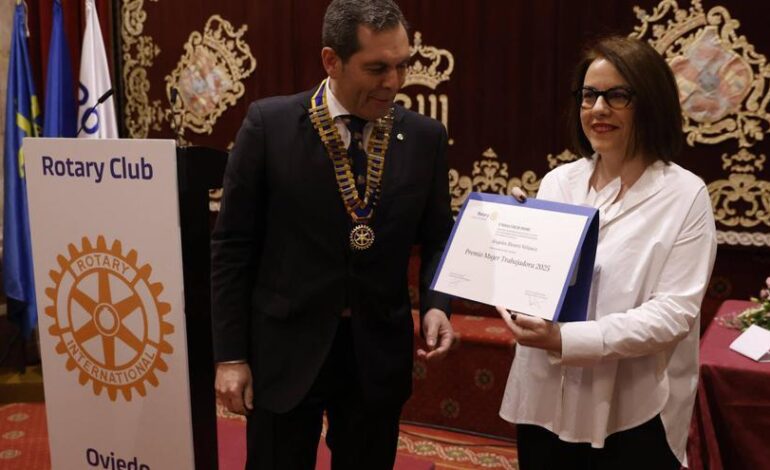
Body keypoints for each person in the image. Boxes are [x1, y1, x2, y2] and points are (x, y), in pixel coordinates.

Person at [210, 1, 455, 469]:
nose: (394, 82)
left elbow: (439, 237)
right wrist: (230, 356)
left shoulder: (425, 137)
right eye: (377, 68)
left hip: (375, 355)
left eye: (402, 65)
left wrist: (437, 303)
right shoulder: (269, 126)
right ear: (331, 61)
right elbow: (232, 248)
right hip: (284, 352)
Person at [497, 36, 717, 469]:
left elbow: (672, 314)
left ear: (650, 103)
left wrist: (566, 339)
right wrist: (512, 243)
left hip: (633, 409)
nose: (599, 108)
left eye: (618, 95)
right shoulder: (558, 183)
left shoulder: (685, 195)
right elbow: (542, 287)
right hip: (545, 397)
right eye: (589, 95)